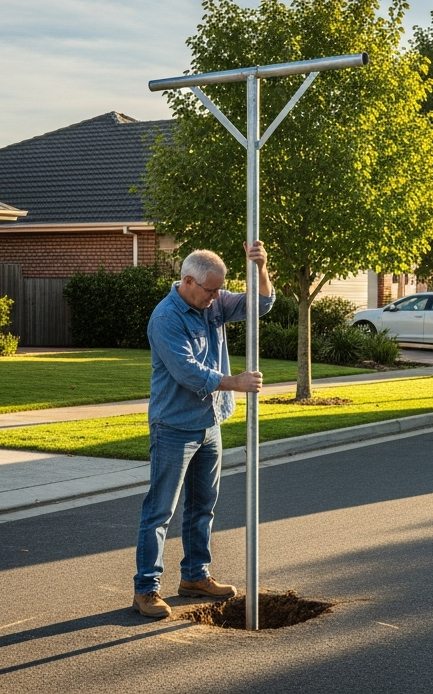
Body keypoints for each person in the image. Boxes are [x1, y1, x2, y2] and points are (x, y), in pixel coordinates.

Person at [133, 242, 274, 619]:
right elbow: (188, 372)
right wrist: (236, 382)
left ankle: (195, 576)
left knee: (202, 507)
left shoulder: (213, 303)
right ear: (188, 281)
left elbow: (260, 305)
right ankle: (146, 589)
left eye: (219, 290)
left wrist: (260, 268)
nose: (216, 297)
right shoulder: (166, 318)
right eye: (211, 290)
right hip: (174, 427)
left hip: (210, 424)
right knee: (160, 511)